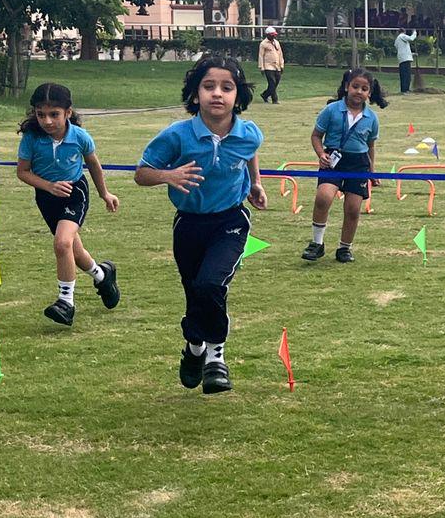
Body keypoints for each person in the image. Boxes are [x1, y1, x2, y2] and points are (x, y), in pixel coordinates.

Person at [135, 55, 267, 394]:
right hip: (189, 225)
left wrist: (255, 183)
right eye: (209, 87)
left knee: (211, 285)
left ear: (238, 96)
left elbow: (249, 150)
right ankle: (193, 348)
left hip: (230, 221)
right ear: (195, 95)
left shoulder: (248, 133)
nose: (217, 94)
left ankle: (216, 358)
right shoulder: (177, 136)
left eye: (227, 87)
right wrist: (168, 174)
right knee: (195, 292)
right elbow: (141, 173)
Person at [15, 82, 121, 325]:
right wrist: (48, 186)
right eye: (41, 115)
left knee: (62, 243)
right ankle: (102, 275)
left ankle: (66, 302)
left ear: (68, 113)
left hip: (75, 192)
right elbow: (23, 172)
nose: (47, 121)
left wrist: (105, 193)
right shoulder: (32, 138)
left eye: (54, 114)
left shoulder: (80, 137)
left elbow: (93, 164)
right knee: (73, 250)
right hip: (46, 197)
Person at [302, 69, 384, 264]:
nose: (359, 91)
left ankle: (344, 248)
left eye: (364, 89)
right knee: (323, 197)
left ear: (369, 93)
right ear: (347, 87)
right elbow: (316, 135)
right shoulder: (331, 110)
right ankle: (317, 244)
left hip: (358, 164)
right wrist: (321, 154)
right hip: (333, 160)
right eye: (355, 86)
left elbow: (370, 146)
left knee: (353, 209)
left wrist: (372, 172)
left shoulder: (371, 118)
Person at [258, 27, 285, 104]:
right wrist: (261, 67)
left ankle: (265, 95)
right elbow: (261, 56)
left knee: (276, 83)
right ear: (267, 35)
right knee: (272, 83)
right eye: (272, 35)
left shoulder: (276, 42)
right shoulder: (263, 44)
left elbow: (280, 54)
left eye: (274, 35)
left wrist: (282, 65)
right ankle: (275, 99)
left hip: (277, 66)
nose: (274, 36)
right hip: (268, 66)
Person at [394, 27, 417, 94]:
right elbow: (411, 38)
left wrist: (412, 54)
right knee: (406, 75)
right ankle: (405, 90)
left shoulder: (397, 40)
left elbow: (403, 49)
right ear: (404, 32)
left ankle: (405, 89)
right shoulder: (402, 36)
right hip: (405, 59)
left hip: (402, 58)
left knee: (404, 75)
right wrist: (414, 32)